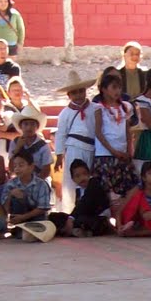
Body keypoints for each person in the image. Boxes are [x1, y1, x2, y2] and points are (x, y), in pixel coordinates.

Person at [88, 69, 139, 210]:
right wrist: (113, 151)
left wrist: (129, 149)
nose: (118, 91)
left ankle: (122, 215)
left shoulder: (125, 107)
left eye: (119, 88)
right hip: (105, 155)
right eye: (114, 87)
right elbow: (99, 132)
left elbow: (127, 130)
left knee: (129, 187)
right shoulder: (99, 108)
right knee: (108, 191)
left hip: (123, 153)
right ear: (104, 89)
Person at [51, 76, 94, 209]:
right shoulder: (65, 113)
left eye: (81, 91)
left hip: (92, 147)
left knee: (90, 178)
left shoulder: (95, 108)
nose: (78, 95)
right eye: (74, 93)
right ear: (69, 95)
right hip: (74, 148)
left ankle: (91, 207)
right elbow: (61, 135)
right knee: (72, 180)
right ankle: (70, 210)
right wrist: (59, 155)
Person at [1, 150, 53, 239]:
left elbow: (43, 208)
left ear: (31, 167)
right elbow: (5, 208)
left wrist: (23, 217)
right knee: (16, 199)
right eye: (15, 166)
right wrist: (10, 195)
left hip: (36, 217)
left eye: (21, 165)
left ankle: (30, 231)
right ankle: (22, 230)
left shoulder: (41, 184)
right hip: (18, 217)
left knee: (41, 226)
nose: (17, 169)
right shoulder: (11, 184)